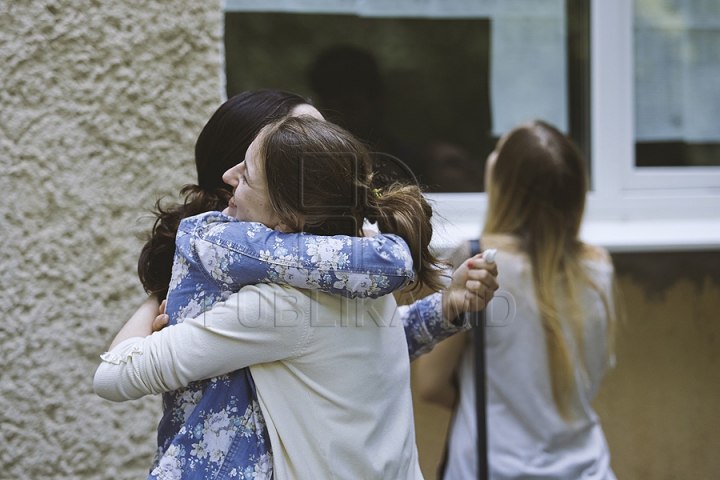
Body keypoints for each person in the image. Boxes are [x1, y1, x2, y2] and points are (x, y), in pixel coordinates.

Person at [95, 109, 498, 479]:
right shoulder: (361, 279)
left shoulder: (277, 306)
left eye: (248, 174)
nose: (229, 176)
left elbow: (115, 375)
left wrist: (156, 302)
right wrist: (446, 307)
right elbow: (362, 345)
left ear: (288, 218)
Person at [416, 120, 618, 479]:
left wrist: (503, 408)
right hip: (588, 467)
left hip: (494, 465)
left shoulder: (478, 263)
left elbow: (431, 384)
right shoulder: (598, 266)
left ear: (502, 184)